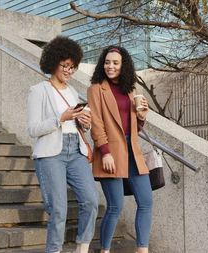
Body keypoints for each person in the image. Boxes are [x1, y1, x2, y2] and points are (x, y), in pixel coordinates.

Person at [27, 36, 98, 253]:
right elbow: (33, 129)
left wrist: (84, 123)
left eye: (73, 67)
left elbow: (76, 124)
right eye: (65, 65)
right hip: (51, 154)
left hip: (75, 150)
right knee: (58, 210)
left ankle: (82, 249)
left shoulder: (73, 92)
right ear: (53, 62)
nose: (69, 71)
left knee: (91, 201)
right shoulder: (38, 90)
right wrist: (61, 118)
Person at [87, 46, 152, 253]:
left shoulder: (130, 89)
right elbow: (96, 123)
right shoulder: (96, 88)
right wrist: (105, 151)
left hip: (132, 150)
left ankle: (142, 250)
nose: (110, 66)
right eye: (107, 62)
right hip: (110, 151)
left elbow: (134, 127)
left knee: (146, 202)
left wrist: (141, 117)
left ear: (124, 65)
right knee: (115, 207)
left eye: (115, 62)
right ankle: (104, 250)